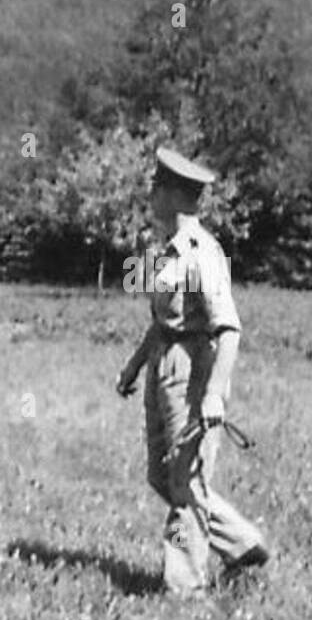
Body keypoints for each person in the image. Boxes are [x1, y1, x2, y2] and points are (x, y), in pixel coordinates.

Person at [116, 147, 270, 594]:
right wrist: (133, 366)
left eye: (156, 187)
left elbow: (230, 330)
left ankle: (185, 590)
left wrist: (214, 393)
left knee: (186, 482)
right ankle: (242, 543)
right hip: (161, 366)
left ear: (175, 195)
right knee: (162, 476)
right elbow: (163, 321)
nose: (150, 194)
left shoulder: (203, 252)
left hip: (192, 371)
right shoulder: (165, 251)